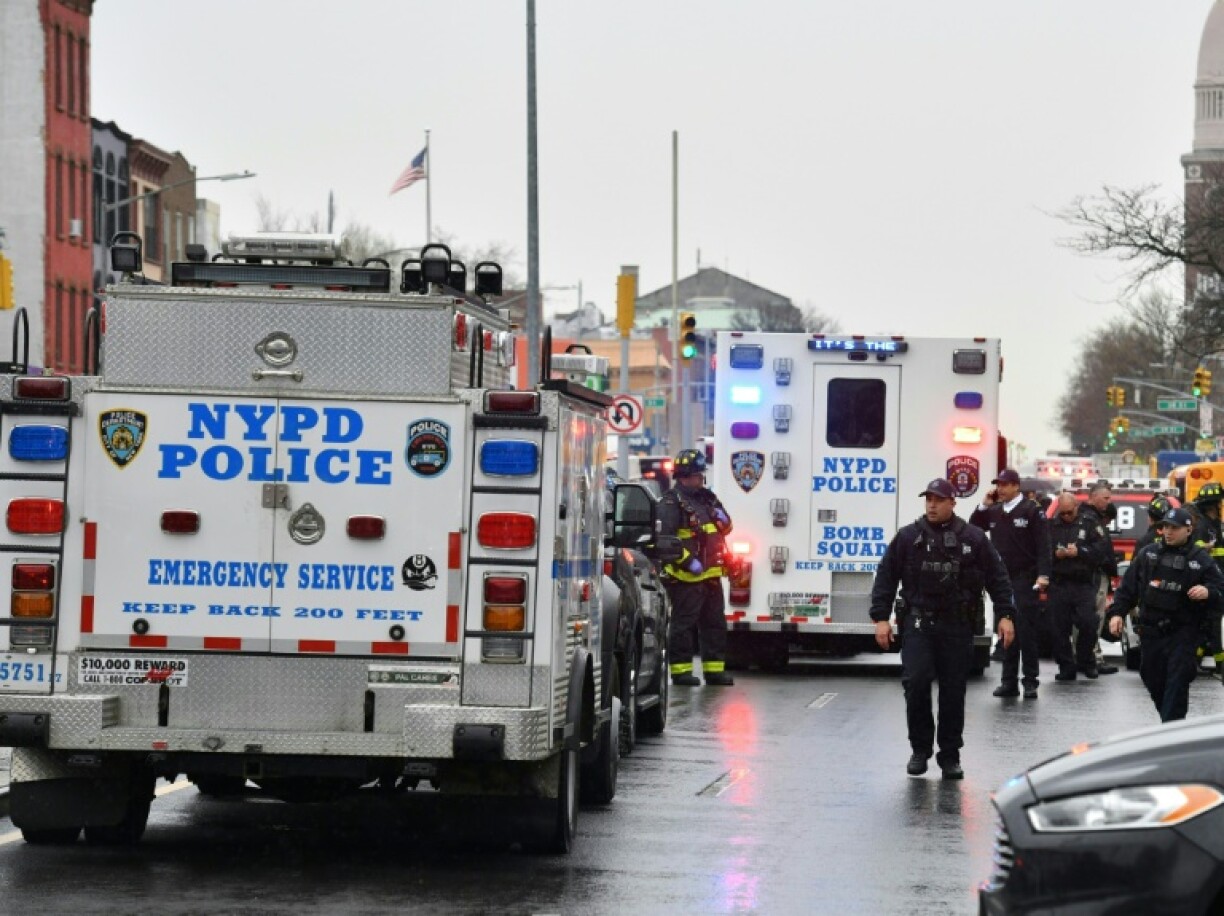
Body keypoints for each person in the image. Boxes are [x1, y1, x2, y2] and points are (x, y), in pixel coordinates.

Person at [870, 478, 1016, 779]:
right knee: (917, 682)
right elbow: (886, 576)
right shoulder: (908, 537)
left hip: (956, 623)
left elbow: (997, 578)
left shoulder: (973, 538)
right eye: (928, 500)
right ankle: (920, 750)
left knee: (953, 690)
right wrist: (880, 618)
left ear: (952, 503)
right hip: (918, 622)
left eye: (938, 500)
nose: (932, 505)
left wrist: (1005, 615)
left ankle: (950, 755)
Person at [1107, 507, 1224, 722]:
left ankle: (1171, 730)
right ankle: (1171, 725)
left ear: (1188, 530)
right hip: (1152, 633)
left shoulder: (1200, 559)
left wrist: (1208, 592)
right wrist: (1117, 614)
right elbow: (1128, 589)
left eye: (1175, 528)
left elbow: (1220, 590)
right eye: (1166, 527)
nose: (1168, 532)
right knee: (1152, 677)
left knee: (1177, 682)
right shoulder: (1148, 554)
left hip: (1183, 633)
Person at [970, 468, 1051, 700]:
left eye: (1004, 485)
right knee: (1005, 631)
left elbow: (1043, 546)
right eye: (998, 485)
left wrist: (1044, 575)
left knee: (1026, 632)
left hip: (1025, 578)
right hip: (1002, 580)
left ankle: (1030, 681)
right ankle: (1008, 682)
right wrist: (984, 504)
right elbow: (974, 528)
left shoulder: (1032, 510)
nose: (1000, 489)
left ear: (1016, 486)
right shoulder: (995, 511)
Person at [657, 448, 735, 687]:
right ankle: (681, 673)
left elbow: (726, 528)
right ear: (685, 476)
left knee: (714, 625)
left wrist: (723, 519)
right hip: (685, 577)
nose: (702, 479)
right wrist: (688, 561)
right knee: (684, 625)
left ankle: (714, 671)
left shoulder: (707, 498)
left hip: (711, 576)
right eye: (698, 475)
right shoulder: (671, 502)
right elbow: (665, 539)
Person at [1047, 492, 1110, 681]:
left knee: (1089, 623)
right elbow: (1040, 552)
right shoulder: (1051, 526)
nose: (1066, 516)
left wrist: (1080, 552)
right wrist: (1055, 554)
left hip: (1083, 583)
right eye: (1062, 513)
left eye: (1069, 512)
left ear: (1077, 507)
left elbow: (1102, 551)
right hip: (1059, 583)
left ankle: (1085, 659)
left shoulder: (1090, 523)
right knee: (1058, 629)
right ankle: (1066, 666)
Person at [1078, 482, 1120, 675]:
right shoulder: (1090, 519)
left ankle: (1086, 656)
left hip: (1093, 575)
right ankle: (1092, 657)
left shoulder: (1092, 518)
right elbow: (1097, 550)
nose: (1108, 502)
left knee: (1091, 617)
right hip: (1094, 575)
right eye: (1105, 498)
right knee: (1095, 617)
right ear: (1093, 496)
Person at [1186, 481, 1224, 678]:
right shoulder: (1203, 525)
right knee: (1213, 624)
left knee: (1209, 625)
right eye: (1219, 504)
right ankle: (1220, 666)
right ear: (1214, 504)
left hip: (1217, 578)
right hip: (1209, 580)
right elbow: (1198, 547)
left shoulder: (1216, 525)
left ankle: (1195, 660)